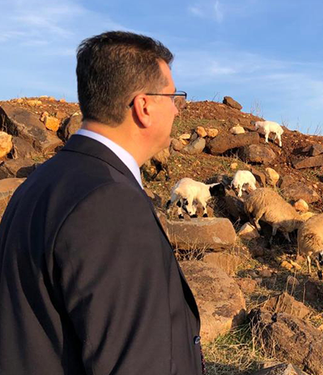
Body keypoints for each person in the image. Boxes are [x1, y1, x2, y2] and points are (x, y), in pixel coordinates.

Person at [0, 31, 204, 374]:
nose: (177, 110)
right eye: (174, 97)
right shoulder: (110, 204)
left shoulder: (38, 183)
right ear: (144, 107)